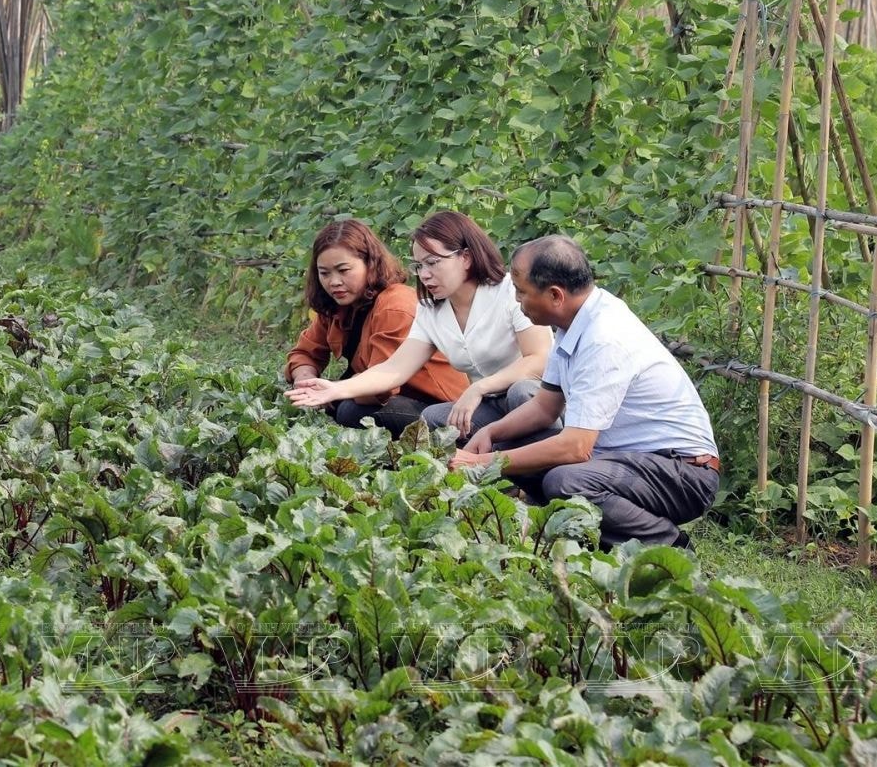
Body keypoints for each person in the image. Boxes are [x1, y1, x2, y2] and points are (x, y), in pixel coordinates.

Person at [449, 235, 720, 549]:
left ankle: (668, 545)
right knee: (511, 445)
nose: (517, 302)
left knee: (565, 481)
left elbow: (576, 449)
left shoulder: (603, 338)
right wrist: (492, 433)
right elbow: (544, 408)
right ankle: (569, 530)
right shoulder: (574, 322)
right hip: (626, 460)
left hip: (682, 472)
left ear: (555, 295)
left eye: (521, 292)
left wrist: (481, 463)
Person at [288, 211, 551, 446]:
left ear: (466, 257)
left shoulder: (508, 291)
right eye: (419, 265)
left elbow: (539, 360)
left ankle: (541, 459)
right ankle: (500, 458)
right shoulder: (431, 309)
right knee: (433, 418)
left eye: (433, 263)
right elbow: (393, 369)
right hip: (488, 404)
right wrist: (336, 389)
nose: (424, 274)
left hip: (539, 397)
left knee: (521, 390)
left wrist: (478, 388)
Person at [285, 219, 468, 432]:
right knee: (335, 403)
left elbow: (381, 388)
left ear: (370, 265)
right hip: (389, 394)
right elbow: (305, 353)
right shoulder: (336, 304)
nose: (334, 282)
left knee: (349, 410)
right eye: (324, 273)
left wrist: (336, 389)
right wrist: (305, 382)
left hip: (440, 405)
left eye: (343, 270)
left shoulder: (395, 305)